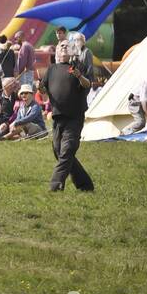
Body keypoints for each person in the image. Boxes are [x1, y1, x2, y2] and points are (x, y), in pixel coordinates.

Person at [39, 40, 94, 192]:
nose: (63, 47)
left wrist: (79, 76)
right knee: (59, 151)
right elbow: (43, 92)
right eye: (60, 46)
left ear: (71, 51)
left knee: (68, 149)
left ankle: (55, 185)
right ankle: (85, 185)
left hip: (74, 117)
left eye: (66, 45)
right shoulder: (52, 69)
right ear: (56, 51)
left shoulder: (77, 66)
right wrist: (40, 87)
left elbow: (87, 84)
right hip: (57, 117)